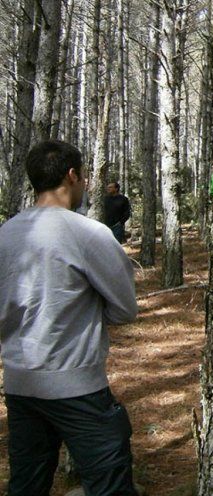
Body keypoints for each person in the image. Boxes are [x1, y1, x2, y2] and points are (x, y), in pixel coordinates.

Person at [0, 140, 139, 495]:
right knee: (110, 485)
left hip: (19, 386)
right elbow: (124, 308)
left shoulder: (5, 234)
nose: (85, 185)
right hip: (77, 387)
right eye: (83, 177)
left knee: (26, 486)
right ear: (72, 175)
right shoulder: (87, 233)